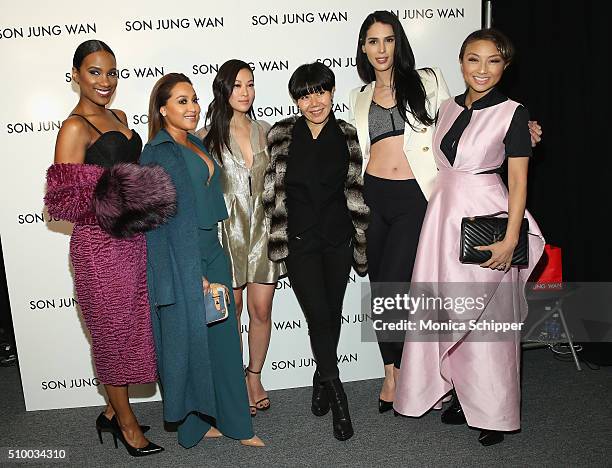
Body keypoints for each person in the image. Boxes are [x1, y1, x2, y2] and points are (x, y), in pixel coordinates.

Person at [348, 10, 543, 413]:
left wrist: (524, 134)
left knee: (409, 287)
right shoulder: (358, 96)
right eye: (372, 41)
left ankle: (439, 377)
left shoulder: (428, 81)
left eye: (388, 39)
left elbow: (470, 121)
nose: (381, 49)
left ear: (398, 43)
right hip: (374, 196)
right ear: (363, 48)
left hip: (419, 198)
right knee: (382, 287)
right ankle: (393, 372)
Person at [393, 28, 545, 446]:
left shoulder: (513, 113)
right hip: (442, 219)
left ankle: (494, 410)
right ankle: (459, 391)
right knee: (447, 308)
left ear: (505, 66)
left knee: (488, 318)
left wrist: (512, 237)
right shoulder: (445, 108)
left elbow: (518, 180)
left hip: (486, 220)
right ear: (460, 63)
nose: (482, 69)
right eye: (473, 59)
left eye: (493, 60)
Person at [44, 40, 174, 456]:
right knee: (111, 335)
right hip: (99, 248)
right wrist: (131, 194)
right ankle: (127, 425)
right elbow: (63, 202)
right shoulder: (75, 127)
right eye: (95, 72)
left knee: (133, 329)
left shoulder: (118, 116)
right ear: (76, 75)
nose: (105, 81)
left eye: (112, 72)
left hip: (135, 242)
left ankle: (112, 411)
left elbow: (128, 176)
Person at [140, 73, 264, 448]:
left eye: (194, 99)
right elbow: (158, 223)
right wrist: (191, 273)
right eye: (181, 101)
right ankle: (195, 425)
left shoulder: (194, 142)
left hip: (213, 251)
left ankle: (236, 424)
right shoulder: (158, 153)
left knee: (224, 342)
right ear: (162, 110)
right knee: (191, 344)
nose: (192, 107)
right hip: (185, 258)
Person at [263, 62, 369, 441]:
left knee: (333, 314)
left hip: (338, 239)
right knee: (317, 316)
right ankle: (338, 393)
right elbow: (270, 190)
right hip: (300, 242)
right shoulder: (280, 135)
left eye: (320, 91)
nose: (314, 101)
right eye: (305, 94)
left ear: (332, 92)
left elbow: (355, 188)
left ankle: (320, 377)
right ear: (296, 99)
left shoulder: (347, 134)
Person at [196, 60, 284, 417]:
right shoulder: (204, 136)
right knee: (228, 311)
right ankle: (231, 382)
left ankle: (254, 377)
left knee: (261, 309)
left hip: (263, 230)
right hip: (226, 232)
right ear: (223, 89)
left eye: (250, 84)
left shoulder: (266, 130)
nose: (245, 92)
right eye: (237, 86)